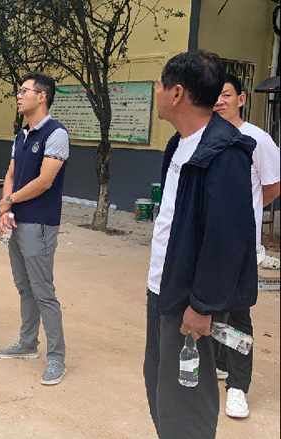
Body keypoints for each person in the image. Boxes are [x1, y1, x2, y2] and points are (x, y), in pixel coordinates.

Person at [143, 51, 258, 439]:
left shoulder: (225, 153)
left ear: (177, 93)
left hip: (188, 300)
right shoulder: (180, 144)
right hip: (163, 288)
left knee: (186, 401)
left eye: (160, 85)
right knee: (160, 385)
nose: (156, 92)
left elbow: (226, 240)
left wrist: (202, 306)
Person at [0, 72, 70, 386]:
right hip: (17, 220)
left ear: (42, 96)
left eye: (24, 91)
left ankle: (56, 357)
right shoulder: (21, 134)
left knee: (43, 291)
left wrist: (9, 200)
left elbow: (44, 181)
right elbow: (11, 173)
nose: (19, 95)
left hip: (39, 223)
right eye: (19, 91)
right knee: (24, 287)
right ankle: (27, 343)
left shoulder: (56, 133)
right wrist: (6, 207)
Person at [212, 73, 281, 418]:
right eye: (215, 95)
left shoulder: (257, 139)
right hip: (208, 246)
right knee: (210, 307)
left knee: (238, 314)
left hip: (240, 247)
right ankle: (220, 363)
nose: (219, 101)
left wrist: (247, 213)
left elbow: (272, 186)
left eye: (226, 95)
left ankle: (238, 387)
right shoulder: (204, 137)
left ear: (241, 99)